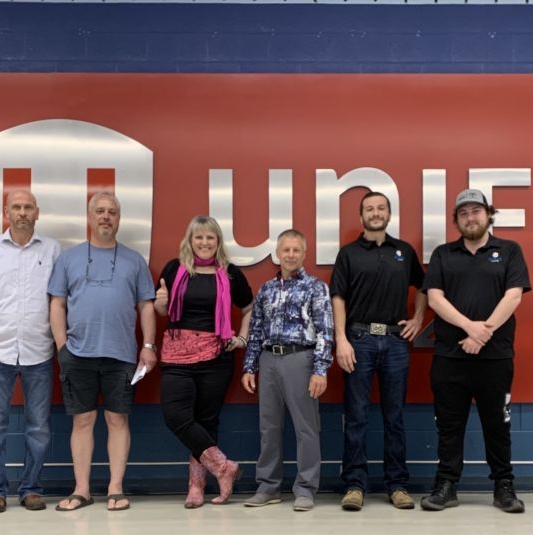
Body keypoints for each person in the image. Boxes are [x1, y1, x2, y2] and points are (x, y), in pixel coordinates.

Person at [420, 189, 531, 514]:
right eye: (464, 213)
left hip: (495, 357)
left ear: (488, 215)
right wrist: (471, 328)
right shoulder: (443, 254)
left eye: (476, 211)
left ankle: (504, 487)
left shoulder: (509, 250)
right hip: (449, 358)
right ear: (457, 220)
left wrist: (483, 334)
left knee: (497, 425)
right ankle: (446, 486)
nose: (471, 217)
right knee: (449, 427)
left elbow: (514, 296)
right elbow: (435, 298)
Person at [48, 191, 157, 512]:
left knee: (117, 419)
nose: (106, 217)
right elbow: (57, 304)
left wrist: (148, 346)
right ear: (90, 216)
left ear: (119, 219)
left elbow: (146, 306)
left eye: (112, 212)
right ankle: (82, 490)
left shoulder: (134, 260)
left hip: (122, 355)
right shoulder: (68, 259)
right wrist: (61, 347)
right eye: (100, 211)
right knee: (82, 421)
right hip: (77, 354)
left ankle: (115, 488)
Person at [330, 191, 426, 511]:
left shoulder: (404, 251)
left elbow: (424, 287)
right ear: (361, 217)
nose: (375, 213)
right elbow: (338, 298)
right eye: (369, 209)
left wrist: (417, 318)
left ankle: (397, 485)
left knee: (394, 416)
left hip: (396, 342)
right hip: (359, 340)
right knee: (356, 416)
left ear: (389, 214)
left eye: (381, 208)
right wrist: (341, 339)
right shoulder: (349, 254)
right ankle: (355, 485)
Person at [0, 189, 61, 514]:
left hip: (39, 351)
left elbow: (58, 301)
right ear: (7, 212)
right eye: (16, 207)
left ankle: (31, 489)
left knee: (39, 427)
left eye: (28, 207)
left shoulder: (52, 250)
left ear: (37, 212)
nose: (22, 212)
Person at [154, 215, 253, 508]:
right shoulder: (175, 269)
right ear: (190, 240)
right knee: (176, 416)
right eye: (199, 237)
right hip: (176, 355)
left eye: (211, 237)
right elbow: (162, 310)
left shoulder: (231, 273)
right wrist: (161, 302)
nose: (205, 242)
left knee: (207, 422)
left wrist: (242, 339)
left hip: (216, 356)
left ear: (218, 241)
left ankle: (196, 487)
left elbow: (249, 308)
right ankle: (224, 467)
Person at [240, 229, 334, 512]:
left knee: (306, 428)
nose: (290, 255)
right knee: (269, 427)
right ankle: (268, 486)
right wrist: (249, 366)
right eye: (286, 250)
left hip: (300, 360)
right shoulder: (266, 290)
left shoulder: (316, 287)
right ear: (277, 254)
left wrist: (320, 369)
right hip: (269, 360)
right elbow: (255, 330)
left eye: (296, 250)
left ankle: (305, 488)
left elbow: (325, 331)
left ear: (304, 254)